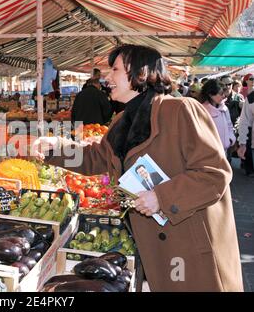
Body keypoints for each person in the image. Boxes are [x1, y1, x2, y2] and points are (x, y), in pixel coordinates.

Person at [32, 44, 243, 291]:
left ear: (141, 74)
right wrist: (55, 147)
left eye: (115, 69)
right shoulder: (123, 120)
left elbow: (215, 174)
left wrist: (161, 197)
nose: (108, 78)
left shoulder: (181, 110)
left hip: (190, 241)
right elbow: (97, 157)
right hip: (156, 242)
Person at [199, 79, 236, 157]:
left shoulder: (224, 108)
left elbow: (229, 125)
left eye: (223, 93)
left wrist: (230, 139)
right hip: (209, 154)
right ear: (210, 94)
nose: (223, 96)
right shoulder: (202, 110)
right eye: (220, 94)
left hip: (225, 151)